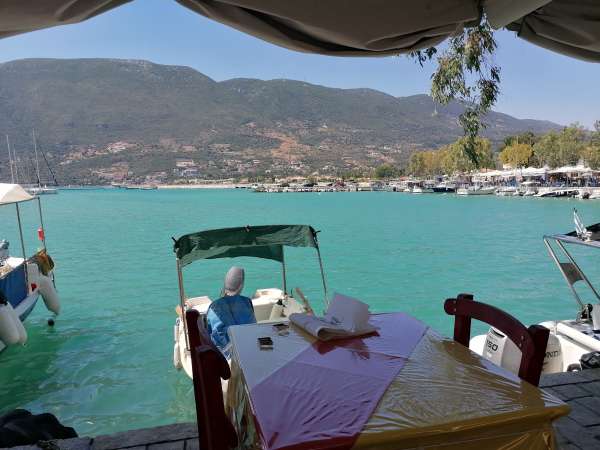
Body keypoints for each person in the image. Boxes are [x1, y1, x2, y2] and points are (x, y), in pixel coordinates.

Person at [206, 266, 256, 355]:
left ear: (225, 283)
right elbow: (253, 328)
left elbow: (209, 334)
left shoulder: (213, 307)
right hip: (249, 350)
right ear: (241, 285)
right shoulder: (247, 302)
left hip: (223, 356)